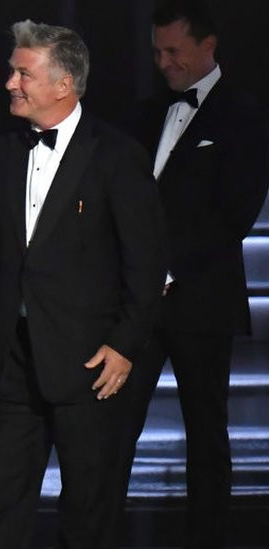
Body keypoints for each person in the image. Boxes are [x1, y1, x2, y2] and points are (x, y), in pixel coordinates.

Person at [0, 20, 166, 548]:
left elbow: (146, 265)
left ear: (63, 84)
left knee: (88, 515)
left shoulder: (117, 156)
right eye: (11, 71)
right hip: (10, 364)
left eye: (22, 73)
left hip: (89, 366)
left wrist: (124, 346)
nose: (10, 82)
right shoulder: (1, 146)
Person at [118, 2, 269, 546]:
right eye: (158, 52)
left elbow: (234, 215)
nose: (164, 62)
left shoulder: (245, 116)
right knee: (115, 427)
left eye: (174, 51)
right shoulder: (143, 112)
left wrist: (166, 267)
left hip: (201, 299)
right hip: (137, 305)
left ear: (209, 46)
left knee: (206, 433)